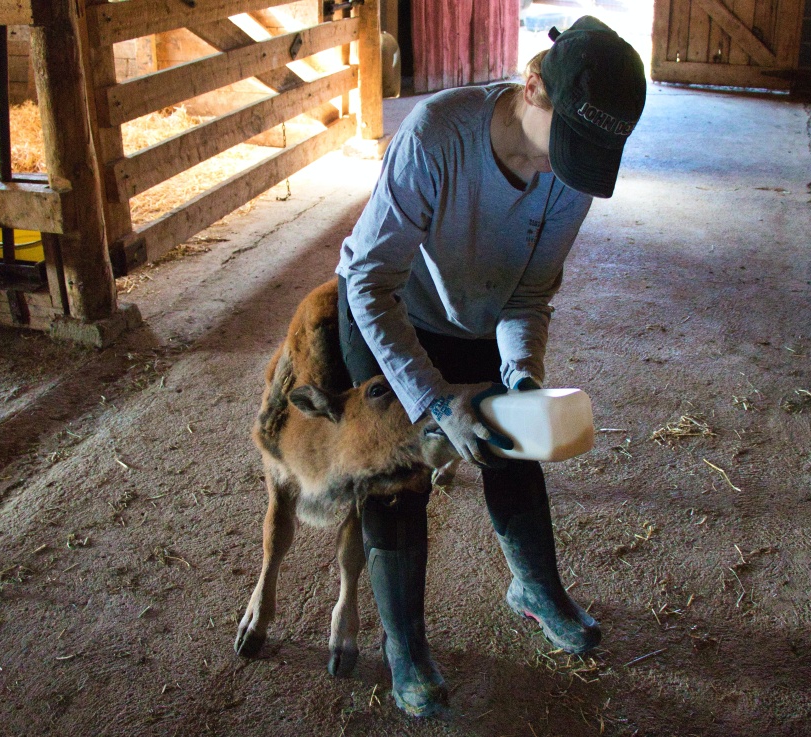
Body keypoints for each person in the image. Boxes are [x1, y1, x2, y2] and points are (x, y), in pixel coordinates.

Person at [335, 16, 647, 717]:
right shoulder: (436, 136)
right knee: (398, 466)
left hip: (475, 311)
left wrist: (522, 376)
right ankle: (405, 645)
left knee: (512, 431)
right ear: (532, 86)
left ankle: (534, 587)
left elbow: (529, 291)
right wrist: (434, 400)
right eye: (561, 147)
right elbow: (370, 281)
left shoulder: (571, 174)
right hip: (389, 307)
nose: (561, 174)